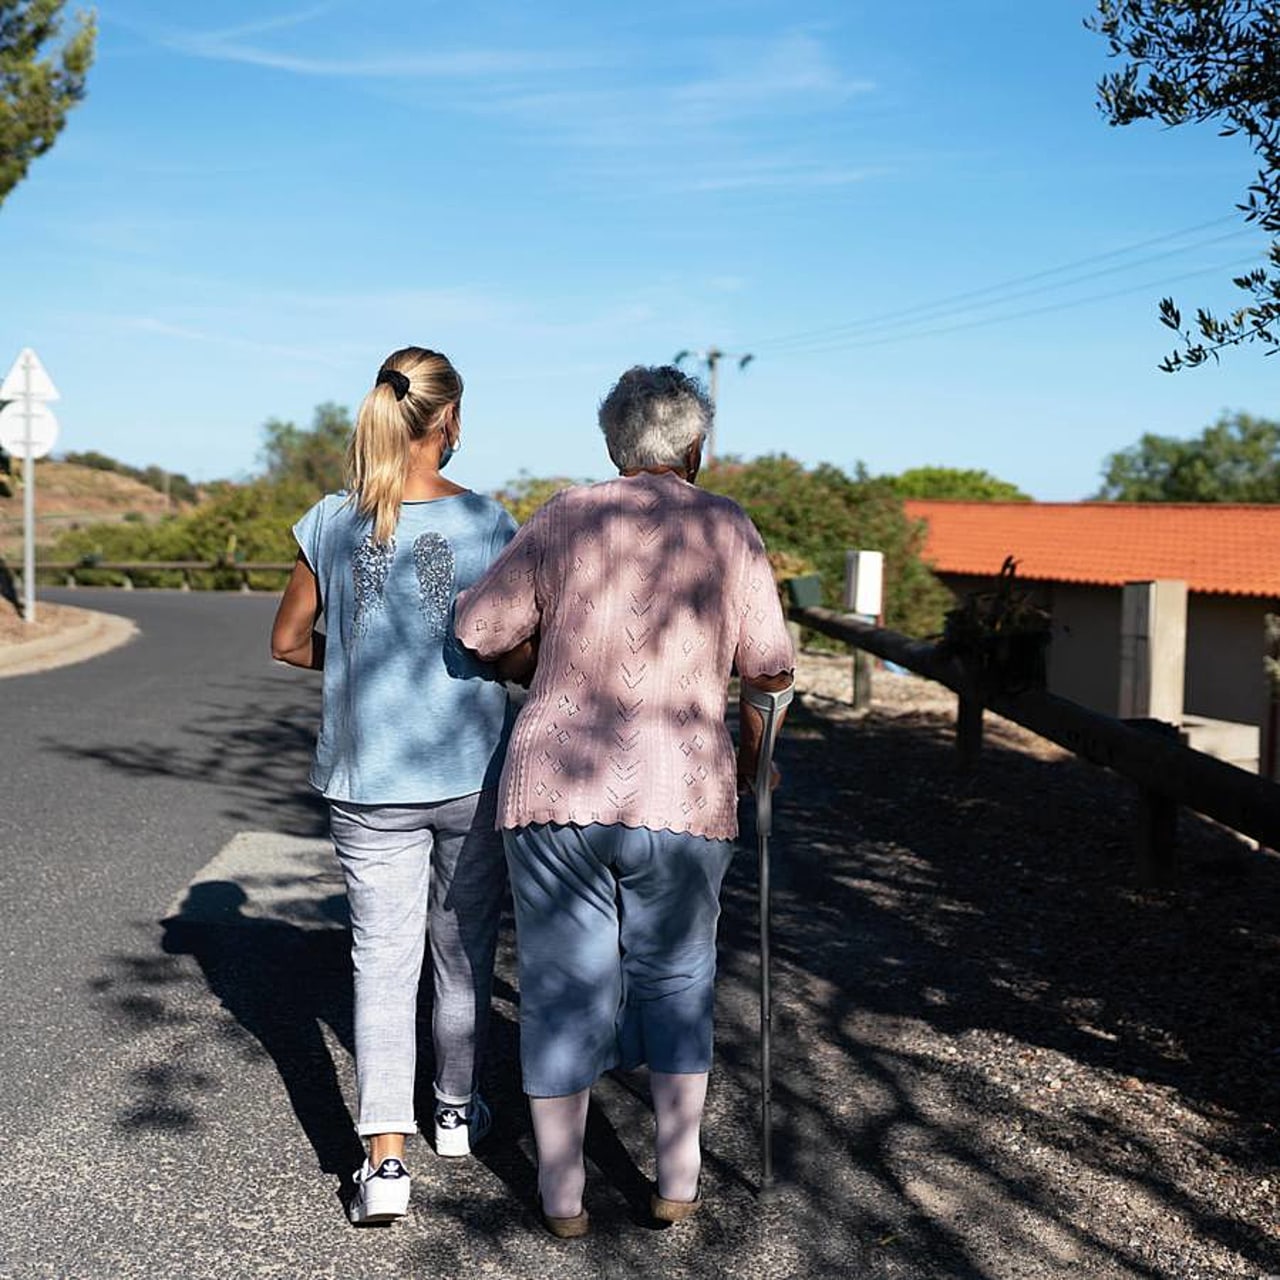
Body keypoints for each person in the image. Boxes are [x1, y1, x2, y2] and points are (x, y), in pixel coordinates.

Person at [454, 364, 794, 1237]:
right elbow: (769, 669)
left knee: (562, 987)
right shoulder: (729, 526)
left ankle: (561, 1198)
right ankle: (674, 1184)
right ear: (695, 446)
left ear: (614, 444)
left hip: (554, 788)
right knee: (678, 978)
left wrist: (552, 666)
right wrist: (756, 759)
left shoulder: (568, 514)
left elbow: (481, 630)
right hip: (684, 791)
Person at [271, 346, 516, 1226]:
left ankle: (383, 1163)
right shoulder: (491, 523)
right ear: (449, 419)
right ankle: (455, 1109)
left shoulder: (330, 521)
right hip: (470, 773)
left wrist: (356, 660)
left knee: (380, 963)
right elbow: (512, 646)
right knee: (463, 948)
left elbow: (289, 642)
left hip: (366, 778)